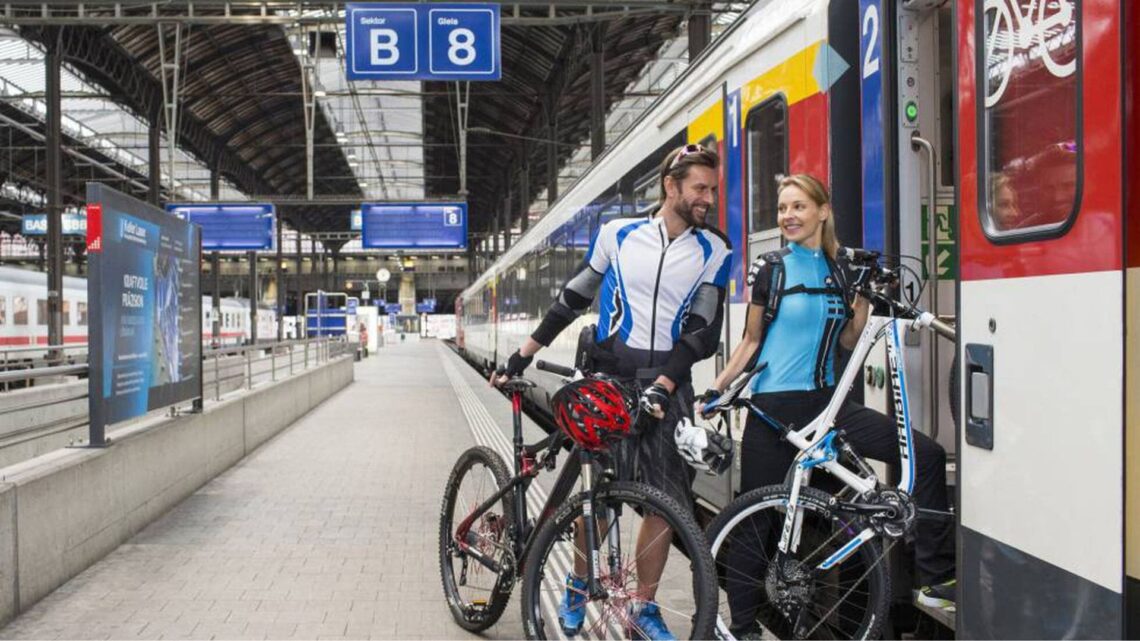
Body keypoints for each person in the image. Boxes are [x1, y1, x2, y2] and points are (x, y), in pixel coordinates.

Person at [491, 143, 732, 640]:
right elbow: (572, 298)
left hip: (669, 384)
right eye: (700, 189)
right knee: (597, 498)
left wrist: (665, 384)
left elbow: (702, 331)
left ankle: (642, 607)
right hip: (609, 383)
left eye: (713, 189)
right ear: (672, 186)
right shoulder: (617, 234)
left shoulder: (716, 250)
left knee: (666, 502)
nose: (708, 198)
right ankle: (579, 583)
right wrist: (524, 353)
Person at [699, 174, 956, 636]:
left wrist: (860, 297)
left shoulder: (840, 269)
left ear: (822, 211)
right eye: (782, 209)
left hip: (829, 407)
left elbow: (849, 340)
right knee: (756, 522)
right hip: (773, 411)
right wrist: (719, 388)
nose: (788, 216)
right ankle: (741, 628)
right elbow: (750, 342)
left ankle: (935, 580)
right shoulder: (771, 268)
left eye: (798, 206)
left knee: (928, 455)